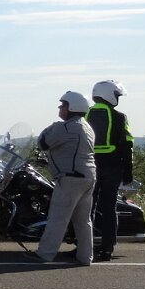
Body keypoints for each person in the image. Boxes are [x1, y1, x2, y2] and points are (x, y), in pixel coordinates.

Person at [34, 90, 96, 265]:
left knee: (58, 218)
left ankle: (45, 254)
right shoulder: (87, 127)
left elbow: (43, 143)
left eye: (63, 105)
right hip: (88, 177)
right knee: (83, 221)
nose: (60, 108)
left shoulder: (65, 127)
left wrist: (51, 127)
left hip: (70, 178)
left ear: (72, 107)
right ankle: (85, 257)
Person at [87, 80, 134, 262]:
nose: (118, 98)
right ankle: (107, 249)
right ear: (109, 95)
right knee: (109, 209)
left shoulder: (85, 115)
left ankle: (85, 247)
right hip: (112, 167)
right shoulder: (119, 117)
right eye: (116, 95)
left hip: (90, 166)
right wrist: (128, 171)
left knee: (87, 209)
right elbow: (127, 144)